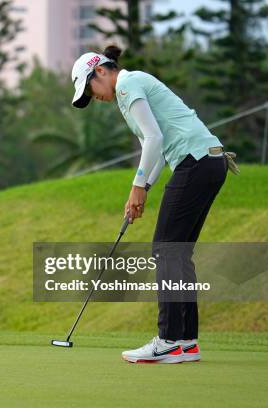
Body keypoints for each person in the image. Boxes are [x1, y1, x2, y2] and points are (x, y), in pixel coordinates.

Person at [69, 45, 238, 363]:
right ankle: (186, 341)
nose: (95, 97)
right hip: (209, 162)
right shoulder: (130, 87)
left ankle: (169, 340)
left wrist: (137, 187)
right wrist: (142, 188)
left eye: (90, 89)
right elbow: (157, 148)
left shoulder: (128, 84)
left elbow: (154, 140)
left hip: (196, 161)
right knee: (178, 252)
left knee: (166, 249)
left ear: (101, 71)